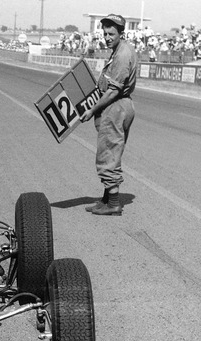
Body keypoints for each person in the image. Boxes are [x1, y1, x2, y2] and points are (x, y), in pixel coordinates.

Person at [80, 13, 136, 216]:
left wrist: (92, 109)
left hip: (115, 106)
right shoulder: (122, 49)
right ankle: (106, 200)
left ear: (121, 32)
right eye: (105, 33)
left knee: (107, 155)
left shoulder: (121, 55)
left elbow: (112, 91)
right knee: (111, 152)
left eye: (111, 33)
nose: (107, 37)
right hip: (120, 105)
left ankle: (113, 204)